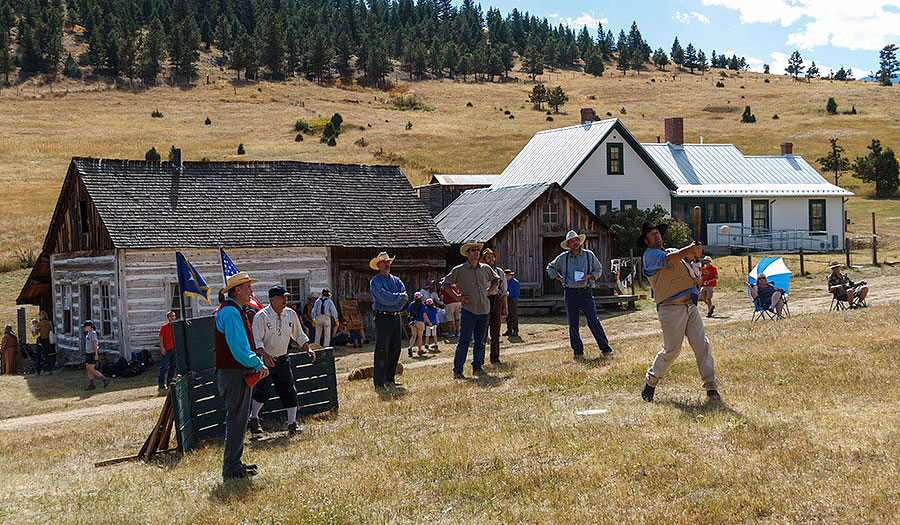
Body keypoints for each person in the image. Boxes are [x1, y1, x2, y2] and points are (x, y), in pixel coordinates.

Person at [639, 221, 718, 402]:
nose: (656, 235)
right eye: (651, 234)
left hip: (690, 306)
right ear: (646, 241)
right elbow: (670, 260)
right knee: (671, 350)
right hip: (670, 308)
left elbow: (689, 256)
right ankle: (651, 381)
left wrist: (695, 252)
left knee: (702, 345)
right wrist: (689, 250)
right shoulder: (649, 256)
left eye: (657, 232)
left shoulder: (673, 251)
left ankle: (711, 386)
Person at [214, 271, 269, 479]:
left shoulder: (231, 310)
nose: (251, 292)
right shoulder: (231, 312)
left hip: (234, 372)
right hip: (235, 373)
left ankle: (235, 464)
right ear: (237, 290)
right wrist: (257, 363)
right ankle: (231, 468)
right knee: (236, 420)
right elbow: (239, 348)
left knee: (237, 419)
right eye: (247, 288)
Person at [249, 285, 316, 437]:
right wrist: (264, 355)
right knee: (263, 390)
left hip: (282, 358)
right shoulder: (261, 316)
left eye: (285, 297)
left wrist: (308, 348)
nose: (285, 300)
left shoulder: (290, 314)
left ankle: (292, 423)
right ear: (272, 300)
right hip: (265, 359)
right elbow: (256, 340)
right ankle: (253, 418)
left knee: (289, 389)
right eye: (281, 297)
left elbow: (298, 334)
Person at [546, 230, 614, 359]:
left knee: (593, 320)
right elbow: (550, 267)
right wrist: (559, 278)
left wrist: (591, 276)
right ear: (568, 244)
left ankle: (605, 349)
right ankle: (577, 352)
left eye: (576, 240)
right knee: (573, 322)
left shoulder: (589, 255)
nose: (574, 242)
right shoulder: (563, 257)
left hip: (585, 291)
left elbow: (598, 269)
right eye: (571, 241)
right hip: (570, 292)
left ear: (579, 241)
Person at [442, 240, 500, 379]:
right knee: (464, 341)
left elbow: (496, 279)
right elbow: (445, 284)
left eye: (477, 250)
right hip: (469, 310)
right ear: (467, 253)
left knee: (480, 341)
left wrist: (488, 292)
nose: (476, 252)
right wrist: (458, 298)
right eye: (473, 250)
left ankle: (477, 367)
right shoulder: (459, 270)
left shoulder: (485, 269)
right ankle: (458, 370)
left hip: (484, 309)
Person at [370, 252, 408, 392]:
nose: (387, 264)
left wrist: (393, 299)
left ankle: (390, 378)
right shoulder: (375, 281)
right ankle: (379, 382)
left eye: (388, 262)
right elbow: (382, 299)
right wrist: (397, 297)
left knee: (395, 348)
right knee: (382, 349)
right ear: (378, 265)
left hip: (395, 316)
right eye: (384, 262)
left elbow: (403, 300)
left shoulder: (396, 280)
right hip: (383, 317)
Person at [481, 248, 508, 365]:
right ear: (485, 260)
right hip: (484, 300)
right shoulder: (480, 271)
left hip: (496, 300)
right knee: (482, 331)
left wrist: (505, 307)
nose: (491, 258)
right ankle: (479, 359)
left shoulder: (500, 272)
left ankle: (495, 358)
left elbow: (504, 291)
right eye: (488, 257)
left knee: (496, 331)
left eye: (492, 256)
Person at [82, 320, 110, 391]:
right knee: (88, 369)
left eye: (85, 326)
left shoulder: (93, 333)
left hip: (92, 353)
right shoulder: (88, 334)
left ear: (90, 327)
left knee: (91, 369)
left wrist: (96, 354)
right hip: (88, 353)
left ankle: (104, 378)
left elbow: (95, 344)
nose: (84, 328)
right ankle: (91, 384)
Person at [157, 311, 177, 391]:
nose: (172, 317)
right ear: (168, 318)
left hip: (174, 349)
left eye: (174, 316)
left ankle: (169, 383)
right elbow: (161, 338)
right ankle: (161, 383)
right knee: (164, 366)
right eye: (171, 316)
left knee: (173, 366)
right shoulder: (164, 327)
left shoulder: (176, 326)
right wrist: (162, 347)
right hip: (167, 349)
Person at [406, 292, 430, 357]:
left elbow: (408, 312)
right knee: (420, 336)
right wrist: (429, 322)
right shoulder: (422, 305)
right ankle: (419, 350)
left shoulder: (411, 304)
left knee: (413, 335)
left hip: (412, 322)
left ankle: (410, 347)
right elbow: (424, 314)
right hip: (420, 321)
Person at [503, 269, 520, 337]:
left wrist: (514, 299)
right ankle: (509, 330)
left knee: (513, 315)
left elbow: (517, 292)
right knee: (508, 315)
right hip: (507, 299)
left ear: (509, 275)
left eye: (506, 275)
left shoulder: (515, 282)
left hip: (512, 299)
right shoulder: (505, 282)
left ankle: (515, 330)